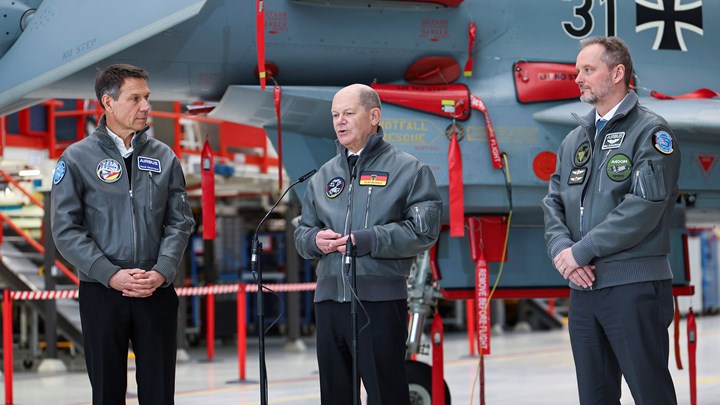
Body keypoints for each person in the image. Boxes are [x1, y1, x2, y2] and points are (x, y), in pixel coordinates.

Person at [542, 36, 680, 404]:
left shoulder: (651, 133)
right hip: (584, 291)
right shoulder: (574, 140)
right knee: (595, 396)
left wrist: (582, 251)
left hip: (633, 288)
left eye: (588, 70)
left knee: (650, 394)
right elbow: (554, 201)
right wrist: (562, 251)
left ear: (617, 73)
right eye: (577, 71)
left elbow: (644, 207)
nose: (579, 78)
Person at [51, 64, 194, 405]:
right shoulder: (76, 159)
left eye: (147, 97)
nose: (146, 106)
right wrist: (109, 274)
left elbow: (180, 221)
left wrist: (162, 271)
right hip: (102, 292)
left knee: (159, 393)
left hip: (155, 290)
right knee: (106, 393)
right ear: (108, 103)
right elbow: (66, 229)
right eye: (135, 98)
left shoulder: (165, 157)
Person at [294, 84, 442, 404]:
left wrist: (370, 240)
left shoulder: (409, 170)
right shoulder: (323, 176)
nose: (340, 121)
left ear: (374, 116)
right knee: (334, 396)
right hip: (330, 303)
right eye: (335, 115)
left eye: (349, 113)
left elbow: (424, 231)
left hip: (379, 304)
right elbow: (302, 232)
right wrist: (313, 240)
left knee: (386, 395)